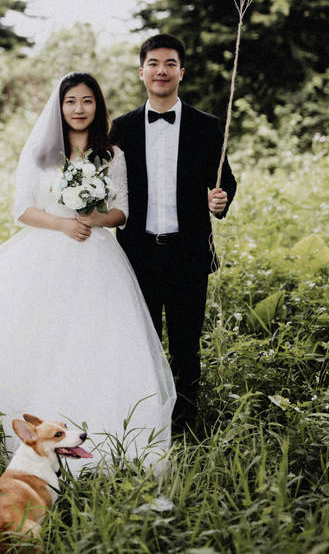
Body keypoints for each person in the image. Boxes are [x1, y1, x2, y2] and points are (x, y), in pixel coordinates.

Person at [0, 72, 176, 469]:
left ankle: (106, 431)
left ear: (97, 106)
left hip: (99, 258)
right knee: (40, 334)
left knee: (97, 339)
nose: (79, 109)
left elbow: (123, 212)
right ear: (60, 107)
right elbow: (21, 209)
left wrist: (93, 215)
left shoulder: (111, 155)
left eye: (87, 101)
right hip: (47, 252)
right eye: (71, 102)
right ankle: (35, 430)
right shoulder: (40, 153)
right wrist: (64, 223)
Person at [110, 34, 237, 435]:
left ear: (181, 72)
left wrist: (220, 200)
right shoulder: (122, 129)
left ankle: (185, 425)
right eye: (153, 63)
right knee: (141, 344)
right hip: (137, 254)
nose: (161, 71)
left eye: (169, 64)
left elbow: (226, 182)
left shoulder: (207, 126)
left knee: (185, 345)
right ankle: (144, 420)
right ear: (141, 71)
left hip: (188, 252)